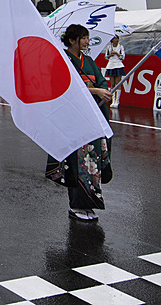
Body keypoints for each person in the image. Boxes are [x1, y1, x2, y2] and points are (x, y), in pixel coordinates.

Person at [59, 24, 113, 222]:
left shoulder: (89, 61)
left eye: (88, 37)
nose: (87, 41)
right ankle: (76, 205)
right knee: (78, 162)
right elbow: (70, 86)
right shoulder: (64, 60)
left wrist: (104, 91)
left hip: (94, 114)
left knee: (94, 162)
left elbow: (101, 80)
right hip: (76, 116)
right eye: (83, 37)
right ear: (72, 40)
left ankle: (89, 204)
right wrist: (96, 91)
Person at [104, 35, 125, 108]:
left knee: (118, 83)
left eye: (117, 38)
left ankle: (117, 101)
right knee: (112, 84)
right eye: (115, 38)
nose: (116, 40)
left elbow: (123, 57)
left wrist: (117, 53)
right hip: (110, 65)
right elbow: (106, 57)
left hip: (118, 65)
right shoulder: (109, 47)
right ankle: (113, 100)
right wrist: (110, 54)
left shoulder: (121, 47)